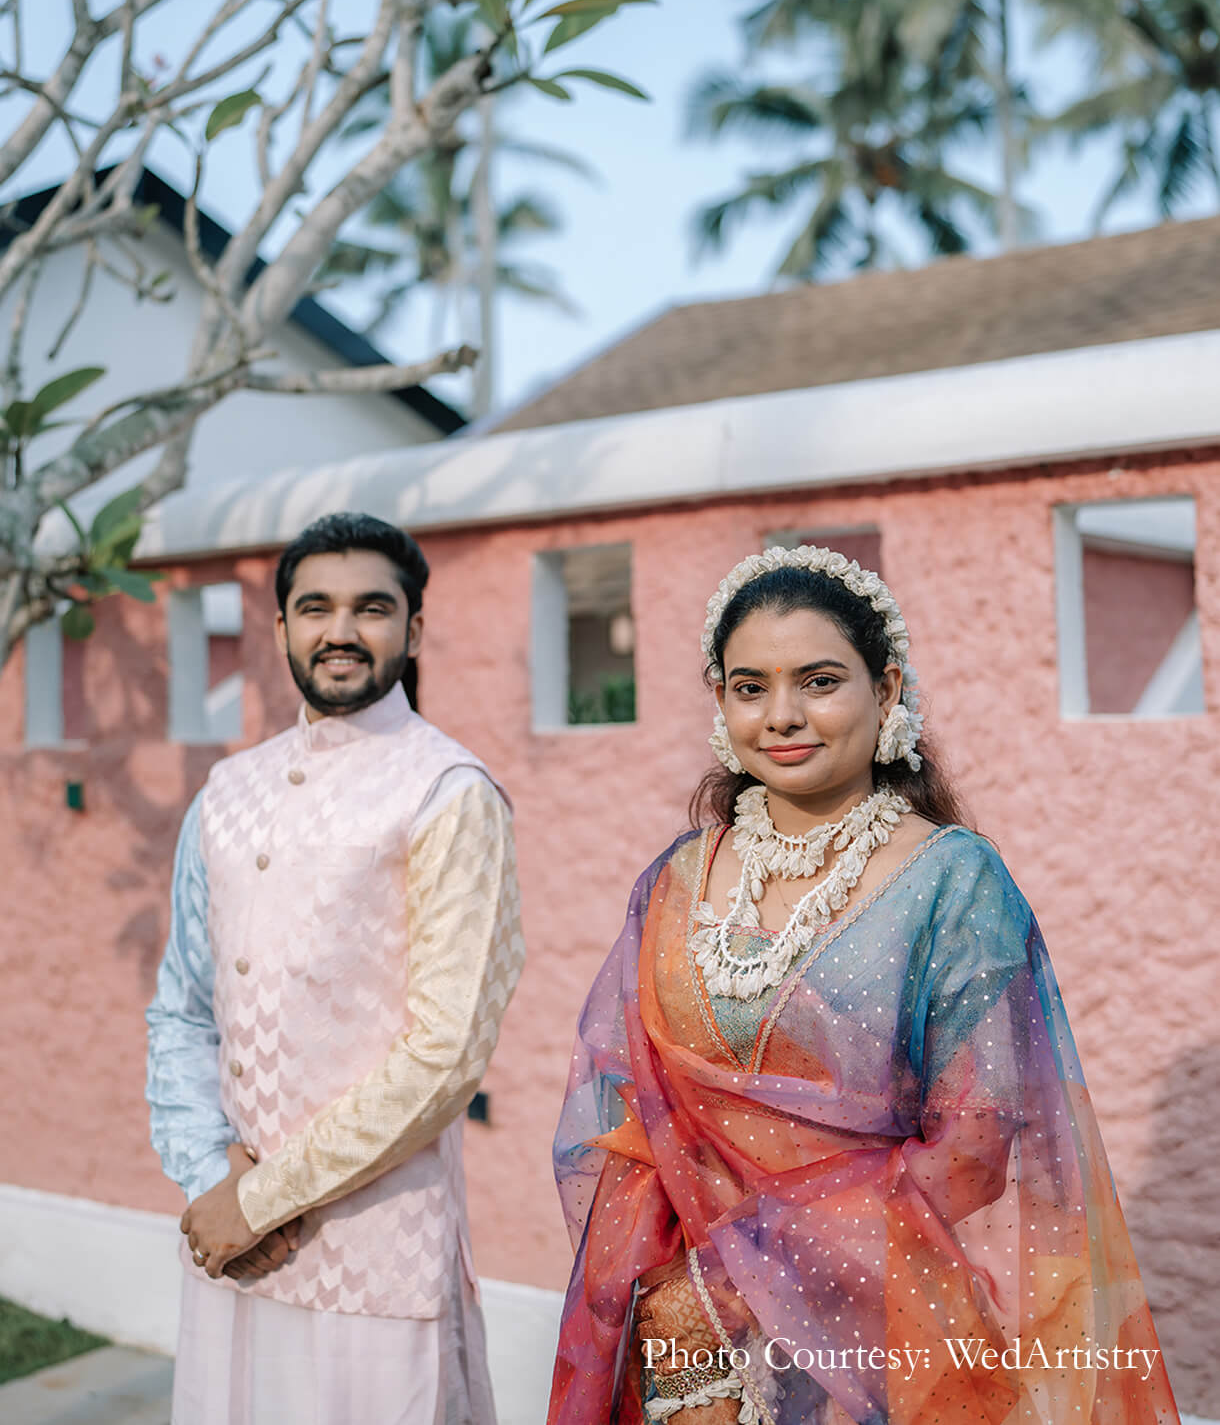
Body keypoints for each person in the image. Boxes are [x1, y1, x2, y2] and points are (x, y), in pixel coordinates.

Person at [548, 546, 1179, 1425]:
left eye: (817, 681)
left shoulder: (952, 879)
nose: (782, 716)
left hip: (877, 1327)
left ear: (884, 693)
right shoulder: (678, 879)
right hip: (690, 1349)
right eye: (749, 687)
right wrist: (681, 1290)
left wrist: (755, 1274)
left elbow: (976, 1140)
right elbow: (629, 1115)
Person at [146, 512, 525, 1425]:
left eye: (372, 608)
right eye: (314, 608)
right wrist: (210, 1177)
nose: (341, 631)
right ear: (279, 630)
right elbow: (184, 1010)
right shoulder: (226, 793)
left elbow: (444, 1059)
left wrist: (262, 1197)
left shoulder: (450, 793)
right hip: (237, 1252)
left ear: (415, 630)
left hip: (377, 1258)